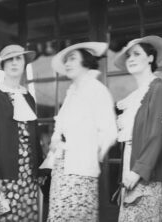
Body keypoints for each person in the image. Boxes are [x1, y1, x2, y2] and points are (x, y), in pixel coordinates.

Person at [46, 42, 117, 221]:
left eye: (72, 59)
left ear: (85, 61)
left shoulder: (96, 90)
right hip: (62, 168)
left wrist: (90, 155)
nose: (68, 64)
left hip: (81, 171)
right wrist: (56, 141)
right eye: (66, 61)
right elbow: (60, 126)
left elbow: (109, 132)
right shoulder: (71, 93)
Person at [0, 44, 43, 222]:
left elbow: (34, 138)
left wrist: (39, 170)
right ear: (2, 65)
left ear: (24, 63)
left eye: (18, 58)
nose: (14, 63)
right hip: (3, 176)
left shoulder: (28, 97)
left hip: (28, 177)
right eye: (9, 59)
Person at [113, 36, 162, 221]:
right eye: (128, 55)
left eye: (137, 54)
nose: (131, 58)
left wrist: (138, 170)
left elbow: (157, 135)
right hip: (130, 165)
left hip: (145, 172)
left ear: (150, 58)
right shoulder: (136, 95)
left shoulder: (159, 89)